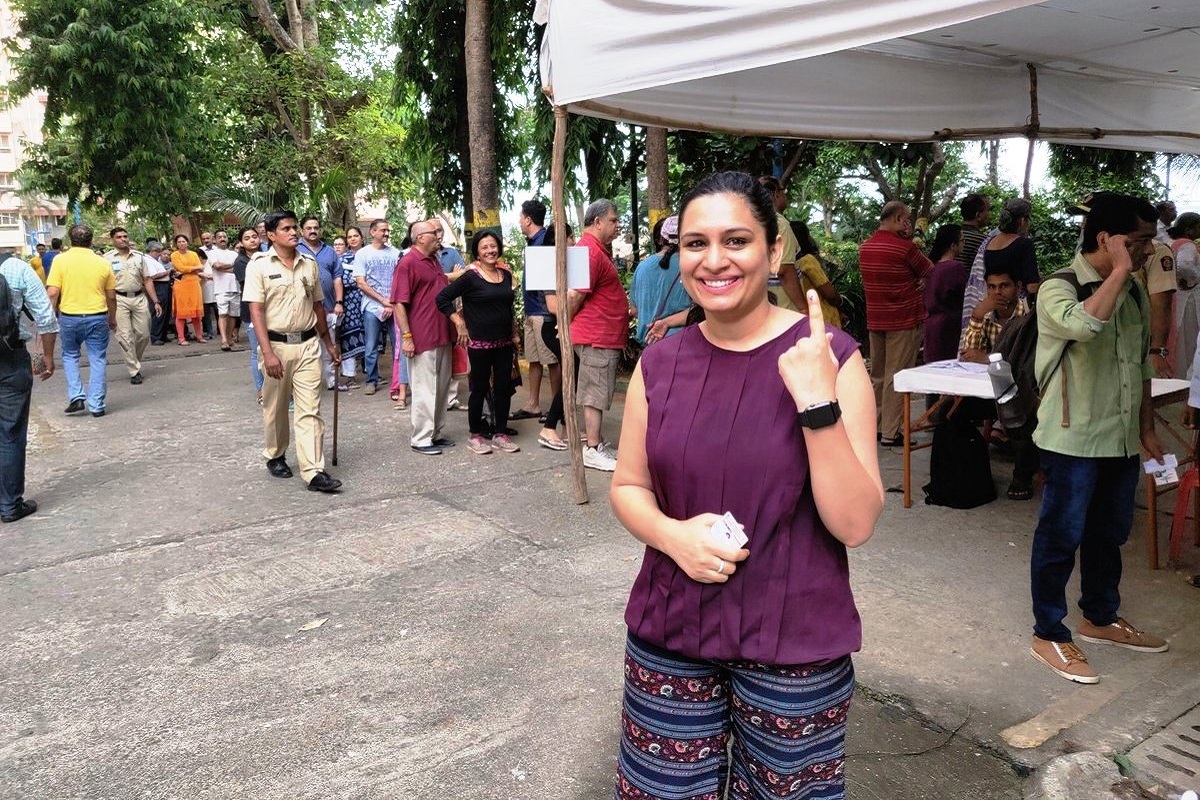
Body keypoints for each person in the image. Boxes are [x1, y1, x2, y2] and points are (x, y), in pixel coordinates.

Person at [609, 171, 883, 799]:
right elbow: (628, 485)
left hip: (794, 648)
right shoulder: (660, 363)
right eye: (694, 243)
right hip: (672, 630)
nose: (713, 261)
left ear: (774, 251)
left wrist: (816, 403)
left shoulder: (831, 357)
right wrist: (673, 536)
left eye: (736, 240)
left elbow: (855, 523)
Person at [1029, 192, 1166, 685]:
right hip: (1072, 440)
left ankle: (1101, 616)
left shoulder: (1131, 290)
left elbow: (1142, 363)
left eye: (1150, 241)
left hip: (1120, 438)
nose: (1149, 251)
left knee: (1109, 534)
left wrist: (1147, 427)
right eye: (1139, 241)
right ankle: (1048, 631)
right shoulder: (1057, 288)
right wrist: (1118, 272)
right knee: (1061, 535)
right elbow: (1087, 325)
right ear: (1106, 239)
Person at [243, 210, 342, 493]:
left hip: (309, 345)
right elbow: (256, 311)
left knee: (310, 408)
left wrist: (329, 344)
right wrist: (268, 352)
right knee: (275, 408)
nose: (293, 232)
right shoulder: (259, 265)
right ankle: (275, 454)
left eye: (294, 227)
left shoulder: (309, 264)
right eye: (286, 228)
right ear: (271, 235)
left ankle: (313, 470)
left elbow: (318, 306)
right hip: (276, 346)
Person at [436, 230, 521, 455]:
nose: (490, 251)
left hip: (504, 343)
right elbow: (442, 298)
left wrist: (514, 333)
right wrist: (459, 323)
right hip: (479, 345)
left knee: (503, 389)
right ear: (478, 253)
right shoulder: (470, 277)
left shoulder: (505, 274)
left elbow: (508, 308)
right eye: (484, 247)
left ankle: (500, 433)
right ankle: (475, 435)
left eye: (493, 246)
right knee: (479, 388)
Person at [959, 263, 1037, 500]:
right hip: (988, 389)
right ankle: (970, 476)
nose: (997, 292)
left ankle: (1022, 475)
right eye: (992, 287)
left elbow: (1028, 360)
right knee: (955, 411)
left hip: (1022, 390)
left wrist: (988, 358)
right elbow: (968, 354)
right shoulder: (985, 314)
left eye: (1004, 286)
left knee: (1022, 414)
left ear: (1018, 287)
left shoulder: (1030, 317)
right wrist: (976, 316)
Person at [859, 201, 932, 447]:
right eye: (907, 220)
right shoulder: (905, 248)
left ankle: (877, 427)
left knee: (877, 375)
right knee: (897, 375)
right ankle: (892, 431)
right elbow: (929, 270)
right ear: (899, 219)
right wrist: (919, 282)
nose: (909, 224)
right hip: (903, 318)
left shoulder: (866, 247)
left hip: (875, 318)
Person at [570, 199, 631, 471]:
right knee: (595, 392)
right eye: (613, 220)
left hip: (602, 333)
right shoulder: (588, 251)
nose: (617, 226)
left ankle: (597, 442)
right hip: (596, 334)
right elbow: (575, 295)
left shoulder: (594, 250)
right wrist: (565, 320)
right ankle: (592, 448)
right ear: (597, 222)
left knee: (598, 389)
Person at [392, 219, 457, 456]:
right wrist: (407, 336)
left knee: (440, 387)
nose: (439, 236)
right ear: (420, 237)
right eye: (434, 232)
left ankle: (435, 433)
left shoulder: (433, 260)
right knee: (424, 389)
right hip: (422, 336)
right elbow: (399, 302)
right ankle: (420, 438)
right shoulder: (408, 262)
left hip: (442, 333)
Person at [0, 255, 57, 523]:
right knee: (10, 433)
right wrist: (48, 356)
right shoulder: (14, 267)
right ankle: (10, 504)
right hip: (9, 358)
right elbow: (45, 317)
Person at [46, 225, 116, 417]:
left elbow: (52, 292)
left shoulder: (60, 260)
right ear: (91, 240)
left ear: (70, 240)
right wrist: (113, 317)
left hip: (69, 317)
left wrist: (49, 318)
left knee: (69, 355)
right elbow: (111, 296)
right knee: (97, 358)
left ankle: (77, 397)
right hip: (97, 316)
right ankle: (97, 405)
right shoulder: (103, 263)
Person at [513, 198, 559, 420]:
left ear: (528, 219)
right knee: (533, 359)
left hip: (543, 311)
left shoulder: (545, 241)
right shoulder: (532, 242)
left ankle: (557, 405)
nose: (519, 222)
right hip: (531, 311)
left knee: (551, 360)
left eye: (521, 218)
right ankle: (533, 404)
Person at [103, 227, 161, 384]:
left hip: (139, 297)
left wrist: (155, 301)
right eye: (119, 237)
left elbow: (147, 280)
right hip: (118, 299)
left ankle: (133, 359)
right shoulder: (107, 259)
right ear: (113, 240)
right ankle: (134, 370)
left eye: (125, 236)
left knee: (143, 335)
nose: (123, 239)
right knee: (125, 336)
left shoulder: (139, 257)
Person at [536, 223, 574, 451]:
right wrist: (574, 299)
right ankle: (549, 427)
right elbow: (552, 306)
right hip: (553, 328)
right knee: (572, 372)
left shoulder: (568, 264)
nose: (574, 242)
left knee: (569, 373)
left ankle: (567, 427)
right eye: (571, 237)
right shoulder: (549, 265)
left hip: (561, 327)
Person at [353, 219, 400, 396]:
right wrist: (383, 301)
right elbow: (361, 283)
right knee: (371, 345)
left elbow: (400, 280)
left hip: (394, 306)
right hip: (372, 306)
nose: (386, 233)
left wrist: (391, 302)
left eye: (388, 230)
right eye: (383, 230)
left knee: (398, 345)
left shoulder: (396, 253)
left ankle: (399, 382)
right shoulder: (363, 254)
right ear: (372, 232)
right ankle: (372, 380)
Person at [298, 215, 344, 390]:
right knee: (308, 347)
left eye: (315, 227)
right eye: (308, 228)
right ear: (302, 230)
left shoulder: (330, 251)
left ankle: (333, 381)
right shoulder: (296, 249)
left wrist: (339, 302)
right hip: (305, 309)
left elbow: (337, 278)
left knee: (329, 344)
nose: (312, 231)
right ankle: (309, 383)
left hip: (329, 307)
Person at [630, 215, 691, 345]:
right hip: (681, 343)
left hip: (648, 345)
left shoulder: (642, 267)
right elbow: (700, 312)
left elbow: (634, 310)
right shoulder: (690, 265)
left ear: (660, 240)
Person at [757, 175, 804, 311]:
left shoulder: (754, 220)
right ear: (776, 193)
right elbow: (784, 270)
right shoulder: (780, 224)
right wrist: (803, 309)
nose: (785, 196)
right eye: (784, 191)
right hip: (784, 307)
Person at [922, 224, 966, 363]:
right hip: (950, 327)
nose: (964, 243)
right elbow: (966, 296)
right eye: (962, 240)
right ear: (953, 245)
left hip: (931, 325)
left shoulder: (930, 268)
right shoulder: (955, 267)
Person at [982, 198, 1040, 296]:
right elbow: (1032, 287)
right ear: (1022, 220)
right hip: (1015, 305)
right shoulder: (1024, 244)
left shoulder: (988, 243)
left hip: (993, 303)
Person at [792, 219, 843, 329]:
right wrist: (841, 304)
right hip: (824, 320)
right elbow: (830, 294)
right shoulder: (807, 261)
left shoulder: (790, 265)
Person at [233, 227, 265, 404]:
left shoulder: (267, 256)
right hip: (251, 310)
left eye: (254, 236)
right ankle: (260, 390)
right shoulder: (241, 262)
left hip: (271, 309)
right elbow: (251, 287)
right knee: (257, 352)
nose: (252, 240)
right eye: (247, 238)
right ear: (241, 242)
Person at [1169, 213, 1200, 379]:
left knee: (1180, 337)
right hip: (1189, 300)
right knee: (1189, 339)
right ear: (1189, 229)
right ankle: (1185, 377)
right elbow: (1185, 266)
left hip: (1179, 297)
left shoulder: (1174, 243)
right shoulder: (1188, 245)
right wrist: (1194, 280)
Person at [169, 235, 206, 346]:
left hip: (194, 284)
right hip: (181, 285)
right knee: (181, 314)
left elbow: (201, 267)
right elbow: (180, 268)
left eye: (183, 241)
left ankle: (199, 336)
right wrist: (193, 268)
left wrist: (190, 269)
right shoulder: (174, 255)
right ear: (176, 244)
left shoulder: (194, 254)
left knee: (196, 313)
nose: (181, 243)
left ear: (187, 242)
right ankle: (181, 338)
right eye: (179, 242)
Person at [207, 231, 241, 351]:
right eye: (219, 237)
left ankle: (230, 339)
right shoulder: (212, 253)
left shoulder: (234, 253)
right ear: (215, 240)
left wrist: (225, 268)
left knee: (233, 315)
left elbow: (238, 269)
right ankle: (224, 340)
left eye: (224, 237)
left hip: (235, 288)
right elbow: (217, 266)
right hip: (221, 289)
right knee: (223, 314)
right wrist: (231, 266)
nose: (222, 239)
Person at [146, 241, 173, 345]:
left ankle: (162, 335)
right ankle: (156, 336)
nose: (160, 254)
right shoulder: (148, 260)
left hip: (164, 285)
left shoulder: (154, 261)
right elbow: (152, 276)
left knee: (166, 312)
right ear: (153, 251)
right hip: (158, 286)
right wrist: (167, 272)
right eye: (158, 252)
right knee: (159, 311)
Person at [958, 192, 992, 270]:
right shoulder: (984, 241)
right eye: (988, 210)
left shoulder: (949, 234)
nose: (989, 214)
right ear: (978, 215)